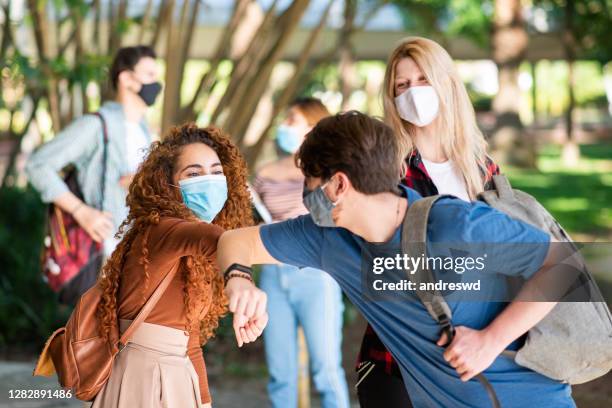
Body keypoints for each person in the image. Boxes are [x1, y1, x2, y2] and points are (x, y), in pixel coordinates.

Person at [216, 111, 576, 407]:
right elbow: (235, 242)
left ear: (339, 185)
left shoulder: (455, 225)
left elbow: (563, 265)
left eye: (309, 183)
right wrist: (239, 280)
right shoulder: (327, 239)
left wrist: (490, 340)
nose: (306, 195)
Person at [355, 36, 501, 407]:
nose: (413, 92)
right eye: (401, 85)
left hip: (472, 357)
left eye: (422, 80)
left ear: (445, 82)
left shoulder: (483, 170)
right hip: (396, 363)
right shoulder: (385, 171)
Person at [91, 123, 267, 408]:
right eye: (194, 173)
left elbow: (191, 343)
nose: (209, 180)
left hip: (180, 377)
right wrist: (241, 279)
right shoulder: (166, 230)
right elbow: (225, 242)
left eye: (216, 171)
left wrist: (204, 402)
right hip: (141, 379)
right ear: (168, 183)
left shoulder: (191, 251)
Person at [253, 97, 349, 408]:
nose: (285, 125)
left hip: (316, 273)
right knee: (281, 372)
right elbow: (253, 221)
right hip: (272, 274)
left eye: (292, 120)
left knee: (326, 369)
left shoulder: (328, 173)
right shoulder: (265, 172)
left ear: (312, 127)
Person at [26, 45, 162, 262]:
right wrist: (82, 211)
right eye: (150, 75)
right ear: (127, 78)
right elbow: (38, 166)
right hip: (100, 254)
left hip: (133, 251)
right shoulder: (96, 125)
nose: (156, 84)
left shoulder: (143, 129)